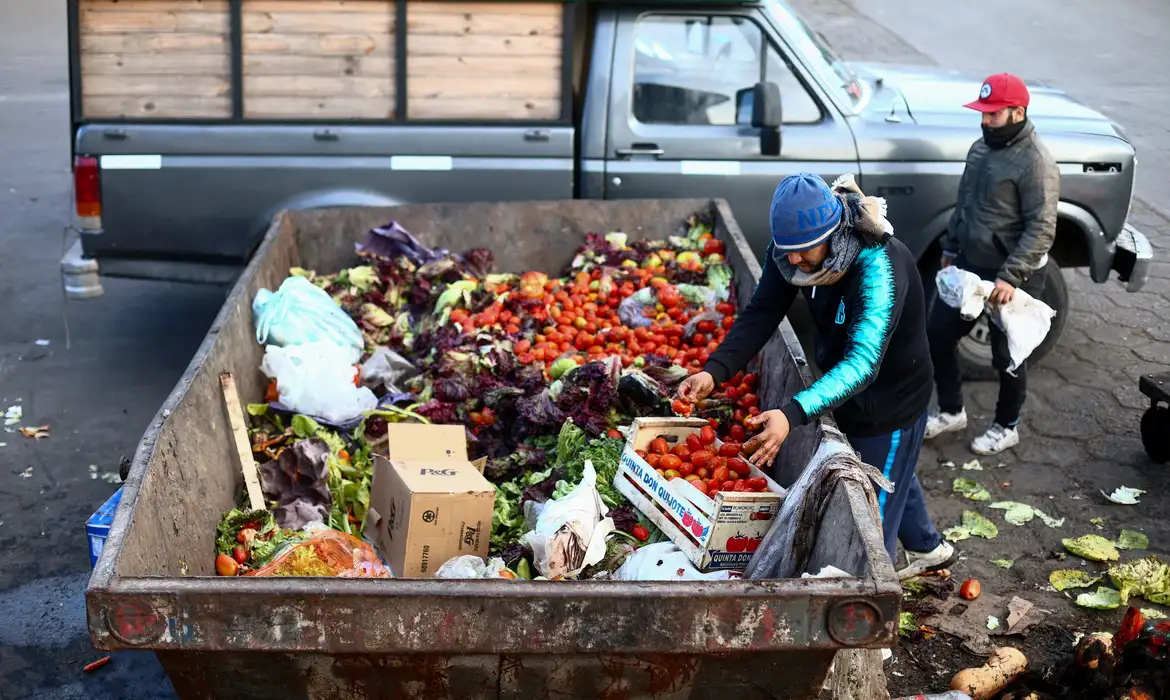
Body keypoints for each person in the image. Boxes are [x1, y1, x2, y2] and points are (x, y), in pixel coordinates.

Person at [677, 172, 953, 579]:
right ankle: (930, 549)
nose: (792, 261)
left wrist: (791, 413)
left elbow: (862, 364)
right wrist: (714, 371)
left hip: (888, 402)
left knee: (867, 524)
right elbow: (763, 310)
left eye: (803, 252)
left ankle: (869, 606)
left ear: (833, 233)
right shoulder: (792, 248)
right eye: (786, 252)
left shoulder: (879, 269)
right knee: (892, 472)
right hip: (841, 388)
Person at [925, 73, 1060, 455]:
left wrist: (1010, 277)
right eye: (982, 113)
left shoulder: (1037, 162)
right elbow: (964, 203)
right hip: (970, 264)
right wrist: (950, 247)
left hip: (1014, 276)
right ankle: (951, 410)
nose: (985, 121)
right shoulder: (980, 149)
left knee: (1008, 355)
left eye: (993, 114)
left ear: (1017, 113)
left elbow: (1042, 228)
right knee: (938, 334)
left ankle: (1007, 425)